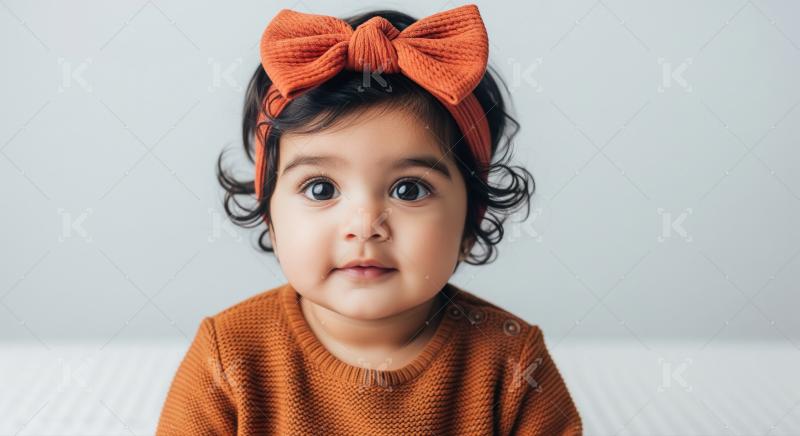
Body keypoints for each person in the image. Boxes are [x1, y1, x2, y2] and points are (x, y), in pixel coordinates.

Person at [157, 4, 582, 435]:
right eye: (321, 189)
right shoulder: (228, 358)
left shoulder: (511, 364)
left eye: (409, 189)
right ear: (270, 215)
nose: (364, 225)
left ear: (471, 221)